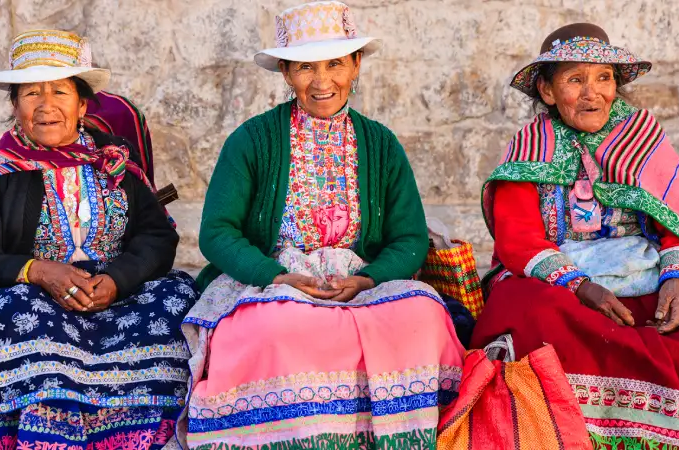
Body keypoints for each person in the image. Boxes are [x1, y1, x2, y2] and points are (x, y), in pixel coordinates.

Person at [178, 2, 464, 448]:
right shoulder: (252, 140)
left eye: (335, 63)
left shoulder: (381, 145)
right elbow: (217, 232)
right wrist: (277, 276)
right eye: (305, 67)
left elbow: (408, 238)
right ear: (287, 75)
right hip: (273, 277)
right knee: (271, 329)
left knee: (423, 316)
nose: (322, 79)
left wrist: (368, 278)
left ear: (356, 65)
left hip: (361, 279)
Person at [472, 23, 679, 448]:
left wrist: (676, 281)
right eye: (575, 80)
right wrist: (581, 287)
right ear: (546, 91)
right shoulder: (528, 147)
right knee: (525, 310)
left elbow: (677, 224)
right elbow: (518, 240)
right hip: (564, 288)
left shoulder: (643, 139)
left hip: (646, 276)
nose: (591, 92)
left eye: (603, 78)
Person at [0, 30, 197, 449]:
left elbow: (157, 236)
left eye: (59, 91)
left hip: (115, 294)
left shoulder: (114, 161)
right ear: (15, 106)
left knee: (180, 306)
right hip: (37, 299)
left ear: (82, 104)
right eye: (32, 93)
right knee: (14, 322)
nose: (46, 105)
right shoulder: (4, 172)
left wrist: (117, 279)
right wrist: (36, 270)